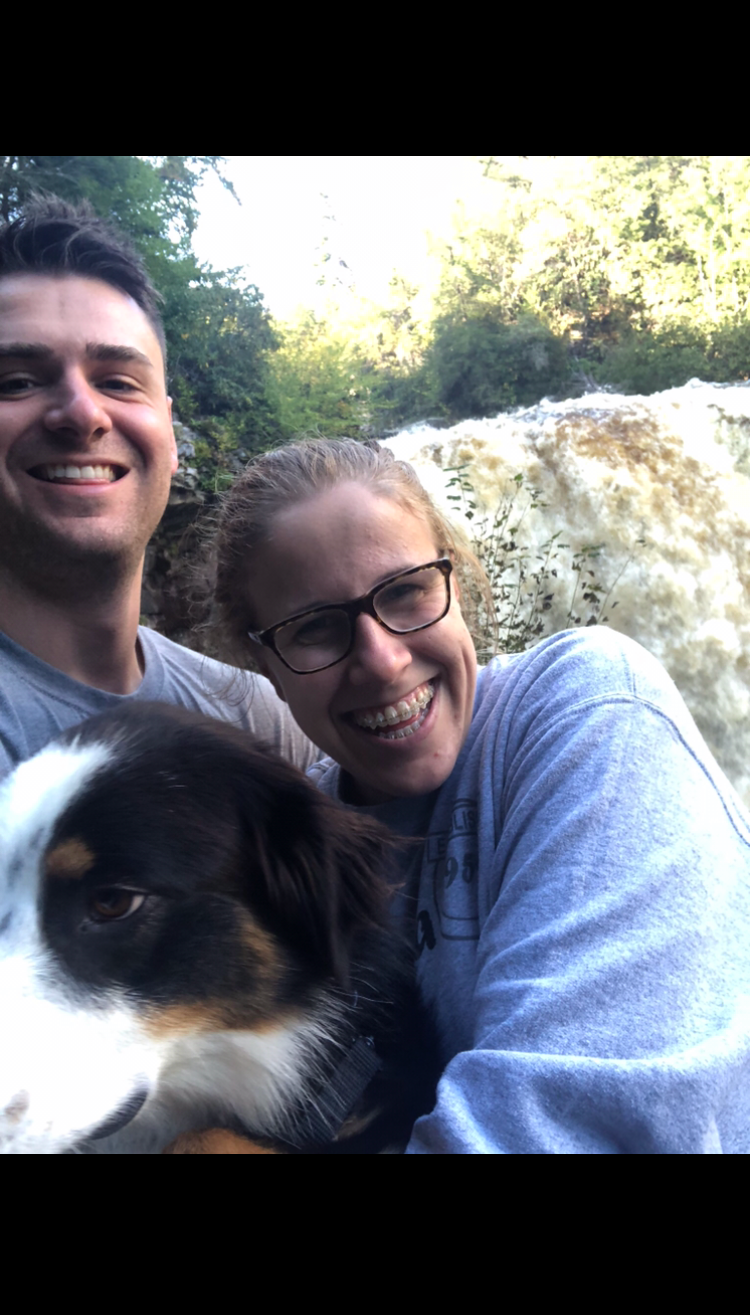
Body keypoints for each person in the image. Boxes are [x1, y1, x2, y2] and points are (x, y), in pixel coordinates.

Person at [211, 437, 750, 1154]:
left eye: (405, 591)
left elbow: (579, 1125)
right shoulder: (298, 845)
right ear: (266, 666)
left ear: (455, 584)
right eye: (314, 628)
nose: (383, 659)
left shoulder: (588, 706)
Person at [0, 198, 316, 777]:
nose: (82, 413)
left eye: (118, 382)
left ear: (170, 436)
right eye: (18, 381)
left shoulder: (265, 724)